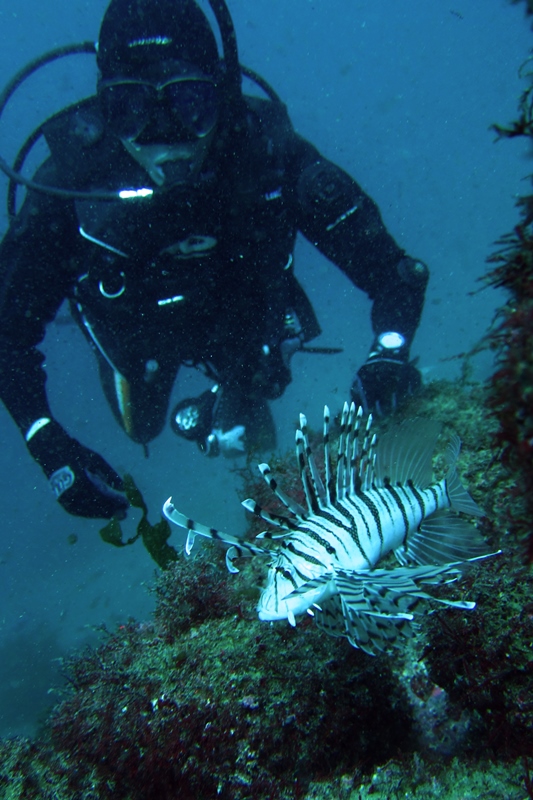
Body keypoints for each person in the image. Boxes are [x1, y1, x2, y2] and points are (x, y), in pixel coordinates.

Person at [0, 0, 428, 521]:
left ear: (222, 95)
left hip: (241, 318)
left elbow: (396, 272)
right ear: (104, 110)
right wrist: (47, 442)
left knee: (252, 417)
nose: (165, 138)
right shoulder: (69, 185)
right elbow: (6, 333)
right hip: (132, 331)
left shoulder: (268, 153)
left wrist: (389, 352)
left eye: (190, 103)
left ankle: (238, 384)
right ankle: (145, 374)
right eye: (131, 109)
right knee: (144, 426)